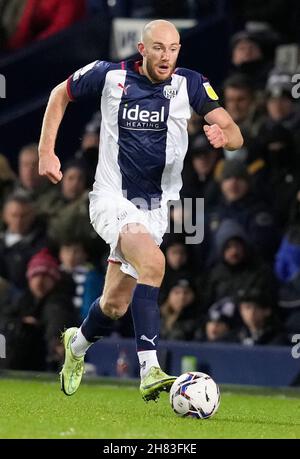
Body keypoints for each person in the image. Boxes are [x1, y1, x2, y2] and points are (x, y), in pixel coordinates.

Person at [38, 19, 243, 401]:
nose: (167, 56)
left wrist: (223, 136)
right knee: (154, 264)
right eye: (160, 48)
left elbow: (234, 131)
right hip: (111, 198)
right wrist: (46, 152)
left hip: (156, 209)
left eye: (174, 48)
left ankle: (75, 346)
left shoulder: (192, 85)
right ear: (142, 49)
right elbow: (58, 95)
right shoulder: (108, 75)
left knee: (115, 305)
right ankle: (149, 369)